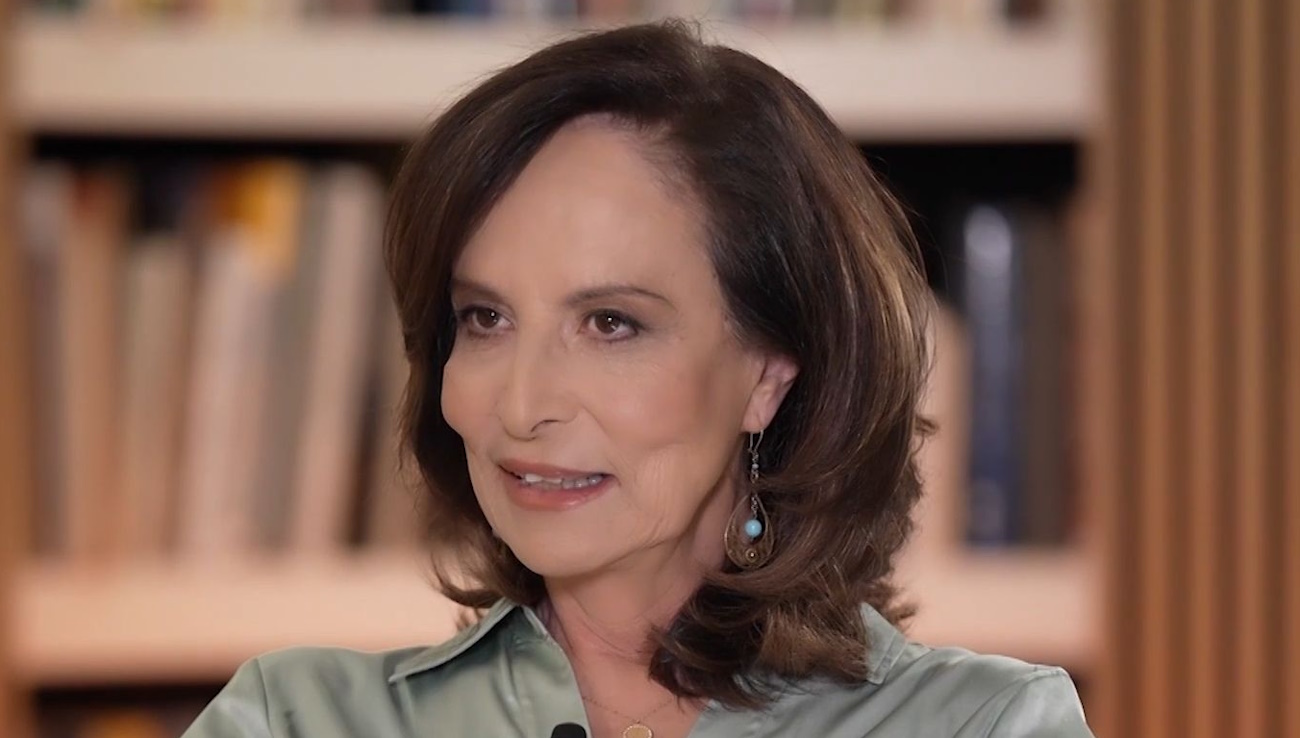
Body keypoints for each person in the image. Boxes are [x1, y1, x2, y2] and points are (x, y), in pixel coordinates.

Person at [183, 20, 1093, 738]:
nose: (522, 406)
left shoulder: (982, 726)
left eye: (611, 323)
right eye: (485, 318)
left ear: (771, 372)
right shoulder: (292, 719)